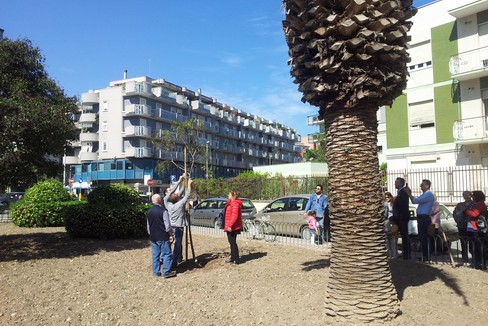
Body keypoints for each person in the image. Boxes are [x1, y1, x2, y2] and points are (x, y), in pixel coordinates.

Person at [164, 175, 193, 270]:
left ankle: (167, 259)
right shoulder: (179, 204)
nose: (176, 194)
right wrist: (189, 185)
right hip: (178, 228)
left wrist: (180, 181)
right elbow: (187, 195)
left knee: (173, 243)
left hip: (172, 227)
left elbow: (176, 193)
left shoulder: (167, 203)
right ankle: (174, 264)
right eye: (175, 195)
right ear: (176, 199)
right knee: (177, 246)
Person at [405, 179, 435, 261]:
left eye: (422, 185)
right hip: (421, 217)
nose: (420, 186)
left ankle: (426, 256)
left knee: (424, 237)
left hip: (424, 218)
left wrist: (409, 194)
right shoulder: (425, 194)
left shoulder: (428, 194)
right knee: (422, 237)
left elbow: (415, 201)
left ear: (427, 186)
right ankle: (425, 255)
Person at [146, 194, 176, 278]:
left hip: (153, 237)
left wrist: (151, 234)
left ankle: (156, 272)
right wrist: (171, 234)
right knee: (167, 254)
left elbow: (148, 226)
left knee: (155, 255)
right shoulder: (163, 211)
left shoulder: (149, 211)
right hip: (162, 236)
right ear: (160, 200)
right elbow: (167, 225)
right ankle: (166, 272)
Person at [465, 190, 487, 269]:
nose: (472, 197)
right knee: (475, 245)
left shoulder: (479, 204)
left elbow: (474, 213)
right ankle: (478, 262)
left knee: (478, 246)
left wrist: (465, 211)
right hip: (473, 226)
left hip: (477, 227)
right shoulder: (477, 203)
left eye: (473, 195)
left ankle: (480, 262)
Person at [392, 177, 411, 260]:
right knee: (402, 235)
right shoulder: (399, 192)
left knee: (404, 235)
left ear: (400, 184)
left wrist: (398, 215)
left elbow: (402, 206)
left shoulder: (403, 192)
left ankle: (406, 254)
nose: (395, 184)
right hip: (399, 217)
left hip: (402, 217)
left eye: (396, 183)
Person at [224, 190, 243, 265]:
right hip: (230, 226)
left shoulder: (235, 204)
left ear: (233, 196)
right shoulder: (230, 203)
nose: (228, 195)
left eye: (229, 194)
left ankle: (236, 259)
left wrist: (230, 225)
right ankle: (232, 258)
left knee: (233, 242)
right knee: (231, 242)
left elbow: (234, 216)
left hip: (232, 227)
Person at [453, 191, 473, 262]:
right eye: (465, 195)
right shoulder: (459, 204)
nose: (467, 196)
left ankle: (473, 257)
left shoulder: (474, 204)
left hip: (471, 225)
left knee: (472, 241)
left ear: (471, 196)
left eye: (468, 195)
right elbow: (455, 213)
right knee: (463, 242)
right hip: (461, 225)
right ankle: (465, 257)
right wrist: (458, 221)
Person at [384, 192, 398, 259]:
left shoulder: (393, 204)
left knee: (393, 238)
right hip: (387, 221)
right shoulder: (385, 204)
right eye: (386, 197)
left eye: (388, 197)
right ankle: (389, 253)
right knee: (387, 238)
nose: (387, 198)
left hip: (392, 221)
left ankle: (394, 254)